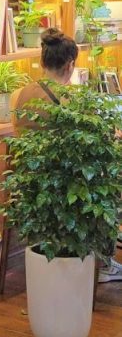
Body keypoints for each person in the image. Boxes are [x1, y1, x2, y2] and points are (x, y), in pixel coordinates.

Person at [10, 27, 122, 283]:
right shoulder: (71, 100)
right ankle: (104, 262)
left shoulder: (18, 95)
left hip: (29, 183)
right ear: (71, 64)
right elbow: (99, 140)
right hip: (63, 186)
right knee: (112, 186)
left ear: (42, 61)